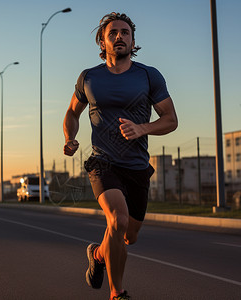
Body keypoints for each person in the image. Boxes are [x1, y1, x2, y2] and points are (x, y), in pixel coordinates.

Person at [63, 12, 178, 300]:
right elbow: (71, 113)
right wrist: (70, 137)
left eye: (125, 32)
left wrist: (142, 128)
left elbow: (170, 119)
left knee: (129, 236)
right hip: (103, 163)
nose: (119, 36)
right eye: (113, 32)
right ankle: (118, 293)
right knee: (118, 220)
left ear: (133, 40)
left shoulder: (149, 75)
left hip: (137, 166)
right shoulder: (89, 77)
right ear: (102, 41)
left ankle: (98, 254)